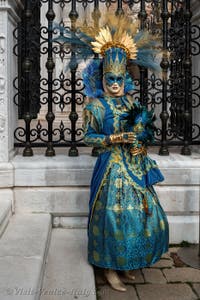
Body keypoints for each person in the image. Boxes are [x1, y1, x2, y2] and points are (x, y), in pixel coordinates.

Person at [81, 17, 169, 292]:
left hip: (134, 166)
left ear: (126, 78)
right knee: (112, 218)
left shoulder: (132, 102)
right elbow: (87, 138)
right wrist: (113, 138)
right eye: (110, 78)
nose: (116, 83)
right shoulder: (95, 107)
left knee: (140, 217)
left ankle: (125, 264)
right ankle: (108, 269)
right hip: (110, 169)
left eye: (120, 78)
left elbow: (143, 130)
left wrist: (139, 142)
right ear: (103, 77)